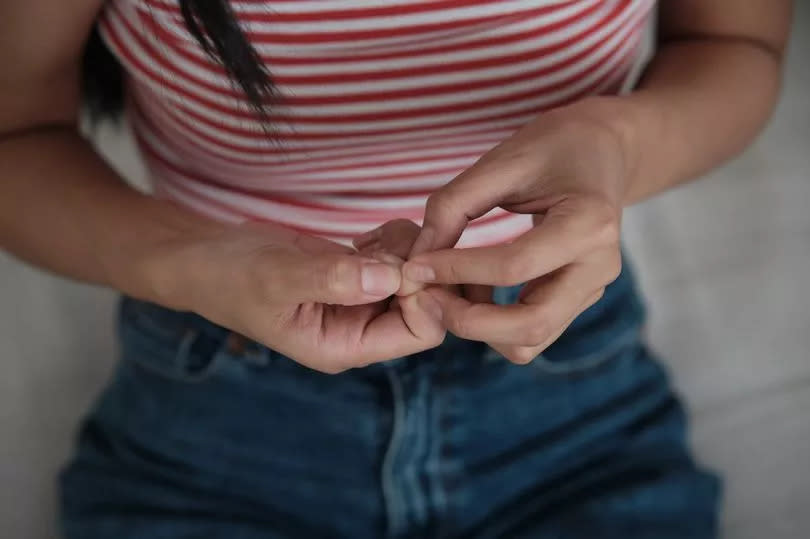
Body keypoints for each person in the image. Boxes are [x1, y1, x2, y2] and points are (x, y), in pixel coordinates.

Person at [0, 1, 792, 537]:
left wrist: (618, 145)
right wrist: (196, 261)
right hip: (216, 402)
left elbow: (736, 47)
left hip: (571, 394)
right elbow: (17, 133)